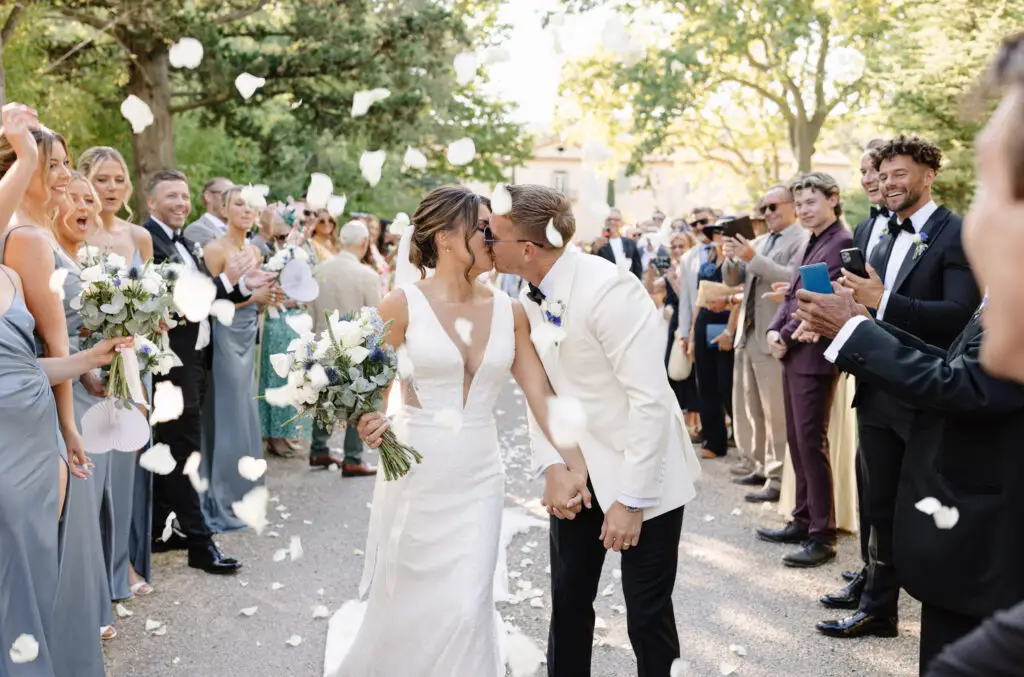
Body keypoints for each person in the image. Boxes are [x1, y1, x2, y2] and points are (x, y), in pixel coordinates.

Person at [322, 186, 590, 677]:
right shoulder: (399, 305)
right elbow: (368, 395)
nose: (494, 237)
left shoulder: (510, 312)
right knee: (410, 604)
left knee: (468, 606)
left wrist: (578, 467)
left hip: (479, 475)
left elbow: (543, 397)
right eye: (482, 227)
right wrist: (370, 421)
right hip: (417, 475)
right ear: (446, 237)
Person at [489, 184, 702, 677]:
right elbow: (540, 388)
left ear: (527, 247)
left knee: (646, 614)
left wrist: (630, 501)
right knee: (567, 601)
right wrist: (553, 466)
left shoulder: (609, 290)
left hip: (643, 472)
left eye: (493, 234)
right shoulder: (526, 291)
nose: (486, 241)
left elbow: (650, 401)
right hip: (576, 472)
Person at [794, 280, 1024, 673]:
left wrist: (855, 333)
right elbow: (956, 362)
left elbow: (964, 386)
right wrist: (864, 325)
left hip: (991, 528)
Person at [817, 136, 980, 640]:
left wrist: (883, 302)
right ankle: (878, 604)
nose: (887, 184)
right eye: (882, 175)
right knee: (877, 501)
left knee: (924, 503)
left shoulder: (956, 235)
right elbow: (860, 298)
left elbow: (958, 317)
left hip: (928, 388)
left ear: (929, 175)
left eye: (899, 174)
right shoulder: (874, 230)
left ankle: (938, 605)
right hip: (875, 386)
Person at [0, 259, 131, 677]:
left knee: (35, 565)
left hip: (34, 436)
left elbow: (22, 370)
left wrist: (88, 357)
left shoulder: (12, 276)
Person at [143, 170, 270, 574]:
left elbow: (209, 296)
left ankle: (162, 529)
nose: (180, 203)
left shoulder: (183, 244)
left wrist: (242, 288)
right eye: (171, 197)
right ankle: (201, 544)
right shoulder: (153, 241)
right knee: (184, 449)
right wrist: (227, 279)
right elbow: (182, 300)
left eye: (183, 196)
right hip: (173, 361)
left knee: (179, 444)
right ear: (151, 203)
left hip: (196, 357)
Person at [755, 172, 853, 568]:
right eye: (800, 204)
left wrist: (788, 337)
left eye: (812, 202)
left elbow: (821, 299)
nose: (804, 210)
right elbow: (792, 294)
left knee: (812, 444)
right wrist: (774, 330)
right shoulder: (811, 240)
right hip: (793, 351)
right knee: (797, 441)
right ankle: (800, 519)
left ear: (833, 199)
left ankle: (822, 535)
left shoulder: (841, 240)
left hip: (815, 355)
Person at [79, 145, 156, 601]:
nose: (110, 188)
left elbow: (150, 304)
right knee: (93, 472)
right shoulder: (71, 233)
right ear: (85, 182)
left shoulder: (138, 237)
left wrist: (152, 321)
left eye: (117, 179)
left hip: (131, 363)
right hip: (85, 365)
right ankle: (88, 572)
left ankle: (120, 563)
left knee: (124, 468)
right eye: (101, 179)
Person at [199, 186, 280, 532]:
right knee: (228, 414)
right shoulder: (215, 249)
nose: (246, 211)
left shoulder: (254, 250)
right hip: (225, 335)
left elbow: (255, 296)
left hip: (249, 336)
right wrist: (252, 298)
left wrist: (268, 297)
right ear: (224, 208)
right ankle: (221, 495)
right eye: (238, 204)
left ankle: (245, 492)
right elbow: (208, 302)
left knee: (245, 412)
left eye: (252, 206)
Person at [723, 184, 806, 501]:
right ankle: (757, 464)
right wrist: (731, 257)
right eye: (764, 208)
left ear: (792, 206)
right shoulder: (758, 241)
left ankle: (778, 476)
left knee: (776, 412)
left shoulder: (800, 239)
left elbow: (789, 277)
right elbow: (732, 280)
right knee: (750, 407)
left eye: (774, 206)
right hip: (748, 332)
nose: (767, 213)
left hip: (774, 332)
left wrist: (753, 257)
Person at [307, 220, 382, 476]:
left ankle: (318, 450)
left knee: (323, 398)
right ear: (364, 244)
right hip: (353, 348)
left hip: (322, 343)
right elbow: (376, 319)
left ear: (341, 242)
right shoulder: (367, 276)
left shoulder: (318, 270)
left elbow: (308, 310)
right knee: (358, 400)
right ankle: (352, 458)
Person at [258, 206, 312, 458]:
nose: (285, 238)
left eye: (289, 232)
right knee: (276, 378)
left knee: (293, 378)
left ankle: (286, 432)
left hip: (295, 320)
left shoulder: (300, 252)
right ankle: (273, 435)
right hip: (276, 321)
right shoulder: (265, 252)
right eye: (280, 235)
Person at [662, 231, 700, 421]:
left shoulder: (693, 267)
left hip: (690, 321)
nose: (677, 250)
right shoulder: (672, 267)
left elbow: (688, 297)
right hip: (674, 322)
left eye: (681, 246)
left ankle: (693, 420)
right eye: (674, 246)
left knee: (689, 370)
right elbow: (667, 296)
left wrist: (672, 281)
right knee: (673, 368)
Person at [593, 208, 643, 278]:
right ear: (605, 222)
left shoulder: (630, 243)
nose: (612, 222)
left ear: (621, 223)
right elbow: (593, 264)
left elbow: (637, 268)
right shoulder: (599, 243)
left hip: (627, 284)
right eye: (609, 219)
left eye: (616, 220)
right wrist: (596, 248)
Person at [183, 177, 232, 246]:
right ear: (208, 196)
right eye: (227, 194)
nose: (232, 200)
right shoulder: (196, 230)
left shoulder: (237, 229)